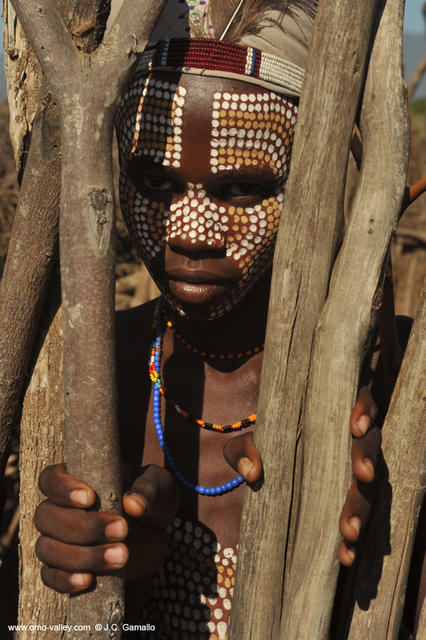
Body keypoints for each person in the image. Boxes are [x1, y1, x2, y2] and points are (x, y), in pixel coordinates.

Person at [34, 2, 385, 637]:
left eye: (241, 189)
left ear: (310, 182)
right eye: (155, 183)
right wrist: (114, 569)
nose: (192, 235)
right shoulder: (101, 368)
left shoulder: (390, 380)